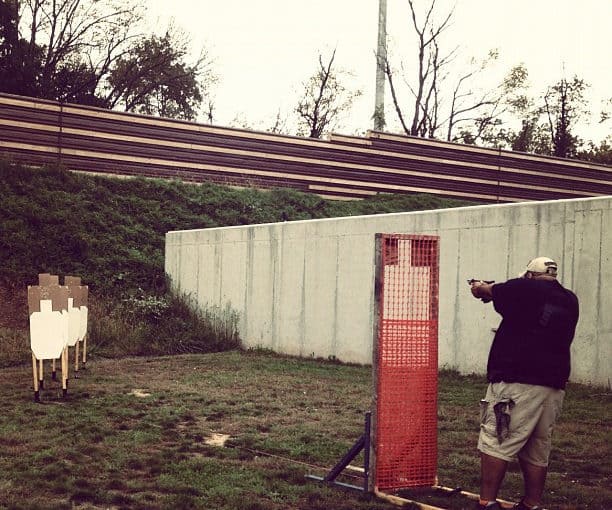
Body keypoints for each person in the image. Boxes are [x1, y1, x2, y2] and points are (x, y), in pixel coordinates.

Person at [469, 257, 579, 510]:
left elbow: (484, 291)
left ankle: (487, 502)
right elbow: (526, 312)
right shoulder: (569, 299)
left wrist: (479, 286)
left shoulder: (522, 287)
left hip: (517, 381)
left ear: (529, 274)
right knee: (537, 447)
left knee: (497, 438)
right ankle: (531, 504)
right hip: (553, 383)